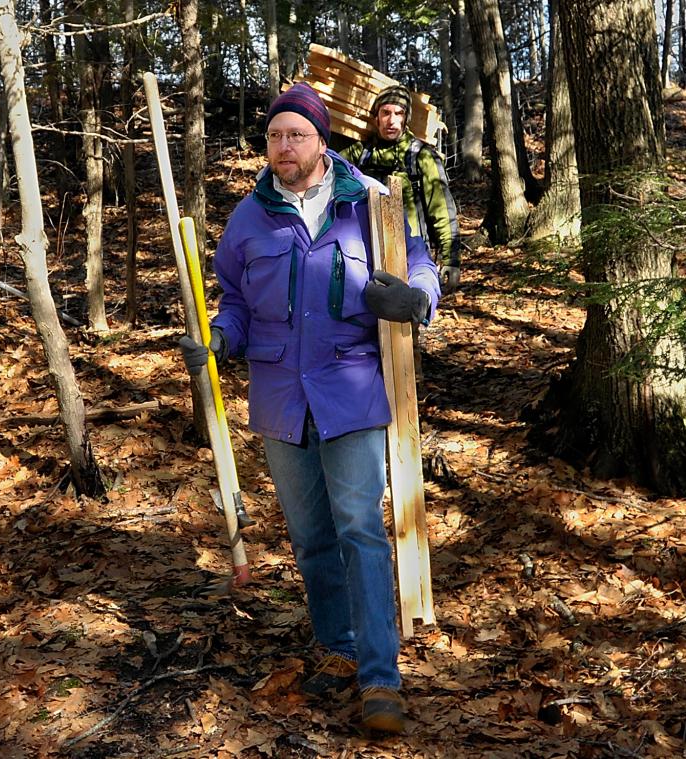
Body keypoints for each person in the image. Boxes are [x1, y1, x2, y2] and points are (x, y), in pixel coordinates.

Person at [178, 82, 440, 735]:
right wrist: (216, 336)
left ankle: (380, 675)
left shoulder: (369, 205)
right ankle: (336, 644)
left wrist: (417, 298)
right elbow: (236, 302)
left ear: (322, 139)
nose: (283, 146)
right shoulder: (248, 219)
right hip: (280, 399)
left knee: (359, 528)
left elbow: (419, 260)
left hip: (351, 391)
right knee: (313, 537)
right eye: (274, 136)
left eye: (295, 134)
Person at [340, 85, 461, 294]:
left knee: (404, 319)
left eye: (399, 113)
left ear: (407, 118)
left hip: (410, 256)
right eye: (385, 113)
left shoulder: (421, 156)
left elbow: (441, 209)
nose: (392, 120)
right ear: (376, 117)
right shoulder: (359, 154)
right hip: (363, 255)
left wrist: (451, 259)